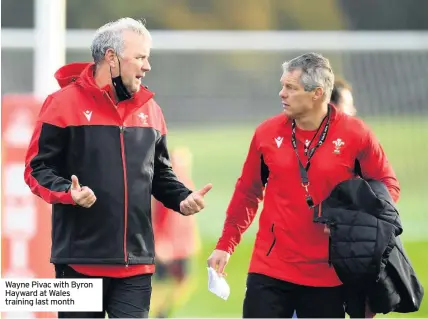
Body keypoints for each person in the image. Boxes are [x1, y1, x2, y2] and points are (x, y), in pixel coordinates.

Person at [24, 18, 212, 318]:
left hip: (136, 266)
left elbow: (161, 174)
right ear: (111, 58)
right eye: (140, 57)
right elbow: (36, 169)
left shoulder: (151, 109)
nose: (147, 66)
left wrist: (181, 198)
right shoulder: (60, 105)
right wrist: (66, 193)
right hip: (77, 263)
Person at [207, 52, 400, 318]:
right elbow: (247, 192)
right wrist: (225, 244)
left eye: (290, 87)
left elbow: (388, 186)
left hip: (329, 274)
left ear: (317, 93)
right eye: (282, 85)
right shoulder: (266, 134)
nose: (281, 94)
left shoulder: (357, 135)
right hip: (270, 268)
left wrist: (360, 223)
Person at [150, 146, 201, 318]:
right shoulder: (167, 191)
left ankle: (162, 312)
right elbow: (156, 218)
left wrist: (192, 241)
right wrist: (158, 242)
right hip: (168, 246)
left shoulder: (188, 185)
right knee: (161, 283)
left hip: (182, 246)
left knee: (184, 282)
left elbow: (187, 222)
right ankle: (155, 313)